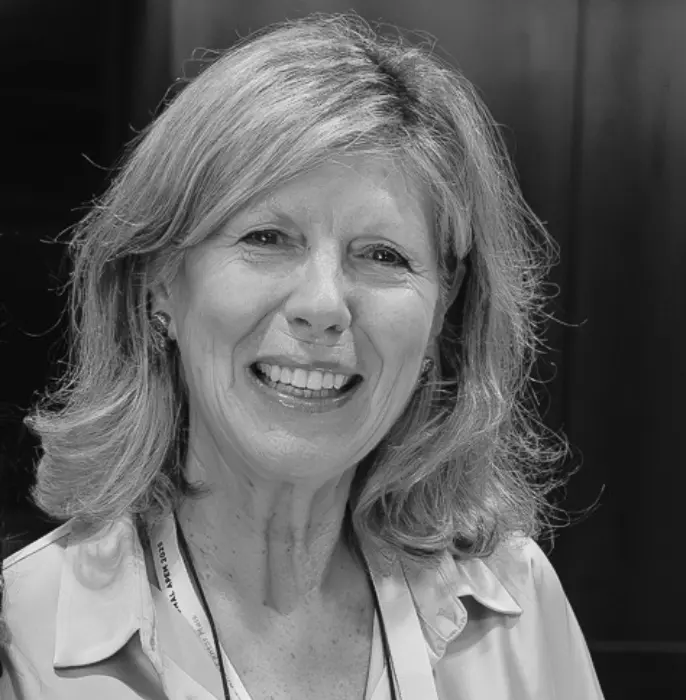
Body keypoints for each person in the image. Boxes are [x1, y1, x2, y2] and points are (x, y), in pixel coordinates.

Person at [1, 13, 604, 700]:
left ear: (444, 310)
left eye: (383, 255)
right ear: (160, 280)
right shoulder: (22, 635)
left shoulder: (518, 608)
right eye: (267, 238)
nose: (323, 304)